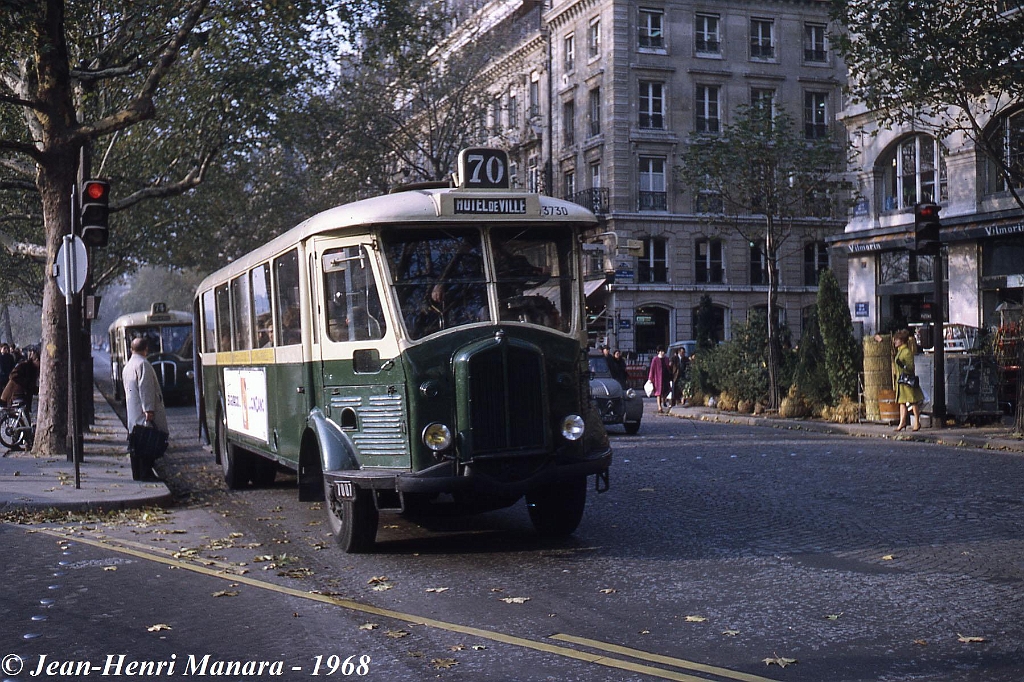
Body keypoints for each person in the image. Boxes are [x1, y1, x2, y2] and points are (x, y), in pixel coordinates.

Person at [123, 337, 169, 481]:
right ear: (146, 349)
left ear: (132, 349)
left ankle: (138, 472)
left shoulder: (128, 366)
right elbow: (146, 389)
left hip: (133, 412)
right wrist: (149, 409)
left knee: (136, 443)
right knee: (148, 443)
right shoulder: (143, 365)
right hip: (143, 413)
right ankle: (146, 473)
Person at [877, 329, 925, 432]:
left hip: (907, 382)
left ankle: (917, 422)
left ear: (902, 341)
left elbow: (911, 367)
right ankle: (902, 423)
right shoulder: (900, 351)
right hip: (901, 382)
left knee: (913, 401)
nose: (895, 342)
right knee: (902, 402)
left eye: (896, 340)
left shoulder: (906, 352)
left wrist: (902, 365)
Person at [1, 346, 39, 410]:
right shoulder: (24, 365)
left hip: (20, 398)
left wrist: (37, 390)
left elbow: (31, 386)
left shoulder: (33, 369)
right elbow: (12, 375)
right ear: (36, 360)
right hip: (13, 396)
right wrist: (26, 384)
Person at [647, 346, 673, 413]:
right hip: (658, 378)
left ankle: (664, 400)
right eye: (661, 351)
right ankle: (659, 407)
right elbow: (652, 369)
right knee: (658, 393)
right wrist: (650, 378)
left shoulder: (666, 359)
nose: (662, 353)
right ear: (658, 352)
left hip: (666, 378)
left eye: (663, 351)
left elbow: (669, 368)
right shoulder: (655, 359)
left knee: (667, 391)